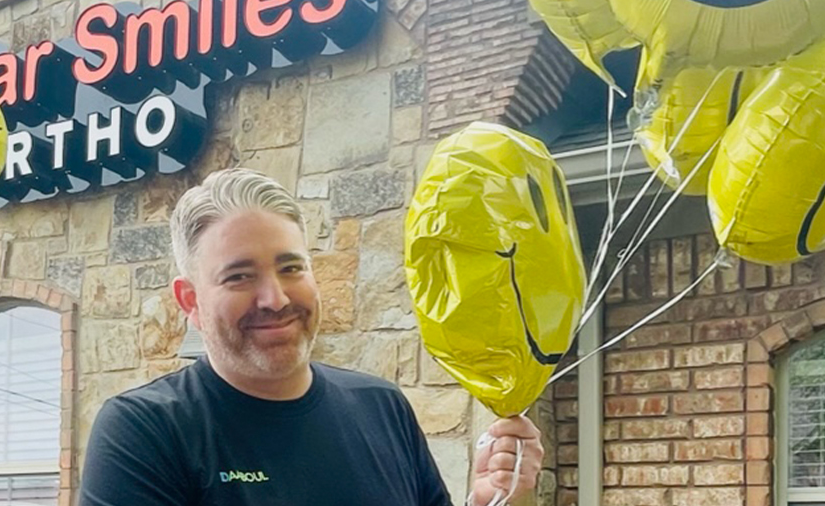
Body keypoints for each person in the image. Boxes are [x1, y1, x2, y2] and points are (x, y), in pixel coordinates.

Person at [79, 168, 545, 505]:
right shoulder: (147, 431)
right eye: (239, 277)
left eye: (291, 267)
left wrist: (491, 500)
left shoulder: (382, 406)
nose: (275, 297)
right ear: (190, 301)